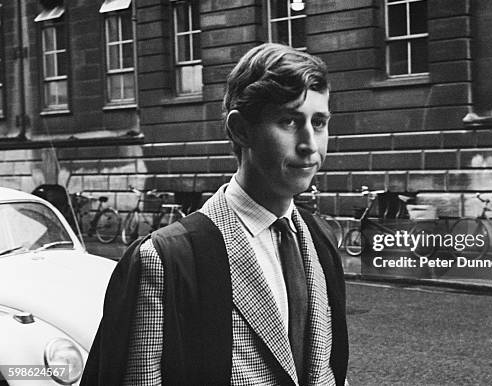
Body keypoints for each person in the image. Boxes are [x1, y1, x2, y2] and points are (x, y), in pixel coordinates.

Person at [82, 43, 349, 385]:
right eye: (288, 121)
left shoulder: (321, 238)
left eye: (320, 122)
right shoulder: (165, 260)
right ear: (240, 130)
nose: (310, 143)